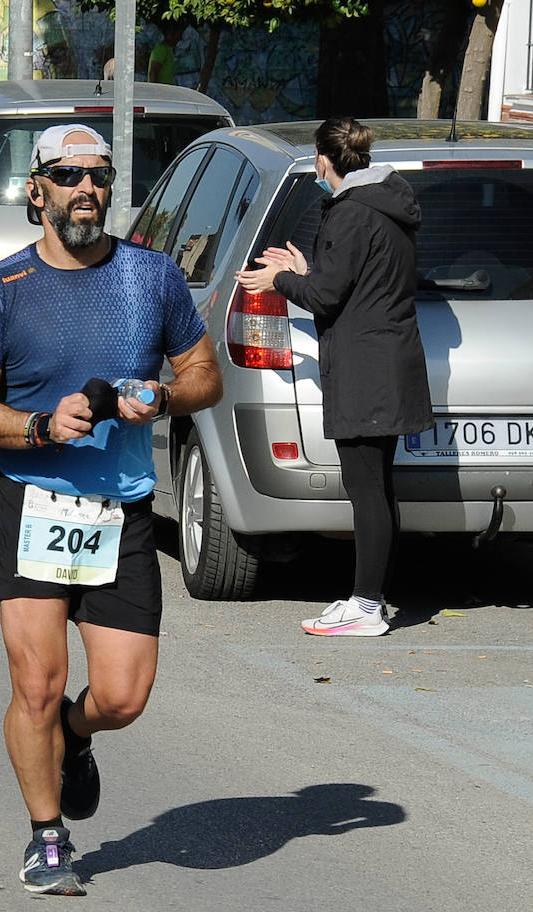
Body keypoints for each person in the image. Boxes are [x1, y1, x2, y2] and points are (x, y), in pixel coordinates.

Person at [0, 124, 222, 895]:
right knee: (38, 684)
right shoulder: (1, 287)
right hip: (32, 501)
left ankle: (74, 736)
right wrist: (42, 426)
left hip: (121, 510)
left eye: (99, 176)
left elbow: (206, 375)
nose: (86, 189)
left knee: (124, 697)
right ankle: (48, 839)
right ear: (36, 188)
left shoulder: (152, 276)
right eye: (69, 175)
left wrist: (163, 396)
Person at [235, 117, 432, 637]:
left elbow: (325, 297)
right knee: (377, 487)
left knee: (366, 489)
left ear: (324, 160)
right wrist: (305, 271)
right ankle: (371, 598)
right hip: (387, 361)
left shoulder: (350, 212)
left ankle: (366, 606)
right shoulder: (388, 203)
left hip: (365, 368)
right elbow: (351, 282)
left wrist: (280, 278)